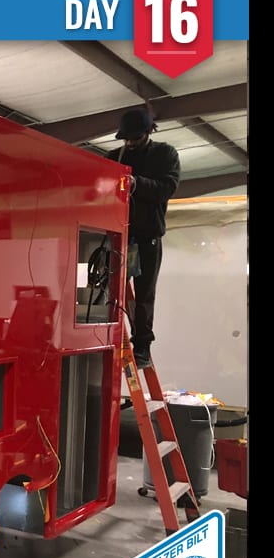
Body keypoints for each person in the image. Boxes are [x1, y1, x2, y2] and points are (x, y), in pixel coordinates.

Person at [107, 108, 181, 369]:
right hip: (118, 236)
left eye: (135, 138)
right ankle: (107, 338)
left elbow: (168, 187)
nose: (130, 143)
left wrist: (136, 183)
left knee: (144, 294)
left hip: (148, 236)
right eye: (126, 138)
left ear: (149, 132)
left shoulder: (165, 154)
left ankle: (141, 348)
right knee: (107, 289)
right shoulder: (114, 157)